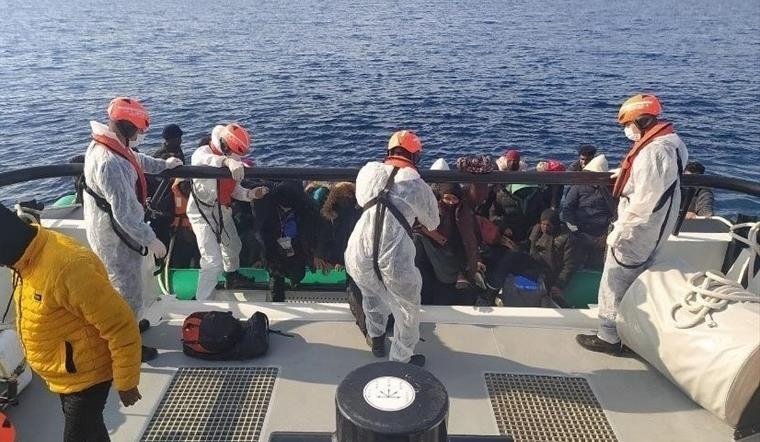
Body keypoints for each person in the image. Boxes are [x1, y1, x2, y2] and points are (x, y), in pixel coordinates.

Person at [0, 203, 142, 442]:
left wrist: (127, 381)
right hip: (65, 374)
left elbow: (121, 324)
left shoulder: (69, 267)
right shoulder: (23, 260)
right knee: (92, 430)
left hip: (88, 376)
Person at [577, 94, 688, 354]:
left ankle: (609, 336)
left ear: (642, 121)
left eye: (628, 124)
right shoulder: (674, 143)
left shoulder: (653, 152)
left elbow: (645, 200)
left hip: (638, 231)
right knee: (639, 280)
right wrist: (626, 175)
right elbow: (657, 181)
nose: (627, 130)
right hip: (658, 227)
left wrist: (620, 231)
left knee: (615, 279)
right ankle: (633, 333)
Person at [82, 97, 183, 362]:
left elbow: (135, 159)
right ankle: (126, 348)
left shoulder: (111, 146)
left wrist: (163, 165)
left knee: (128, 289)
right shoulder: (109, 163)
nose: (141, 134)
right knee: (125, 292)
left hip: (116, 231)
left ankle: (131, 326)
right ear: (127, 128)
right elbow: (125, 214)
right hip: (114, 237)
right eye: (138, 129)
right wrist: (151, 240)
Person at [345, 130, 439, 366]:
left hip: (359, 250)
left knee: (371, 295)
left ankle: (376, 339)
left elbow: (361, 199)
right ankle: (400, 360)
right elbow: (432, 222)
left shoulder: (368, 171)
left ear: (389, 151)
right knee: (407, 309)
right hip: (394, 256)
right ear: (416, 156)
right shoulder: (417, 185)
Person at [187, 123, 268, 301]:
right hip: (202, 213)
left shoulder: (232, 161)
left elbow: (234, 189)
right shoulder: (202, 152)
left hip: (222, 210)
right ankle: (203, 301)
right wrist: (227, 162)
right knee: (211, 261)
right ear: (225, 146)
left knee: (233, 246)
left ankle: (232, 276)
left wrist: (250, 194)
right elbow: (205, 161)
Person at [482, 209, 578, 306]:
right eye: (543, 224)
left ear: (555, 224)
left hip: (548, 271)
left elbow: (569, 266)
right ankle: (491, 290)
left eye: (548, 225)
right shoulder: (537, 230)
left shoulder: (567, 239)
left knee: (514, 263)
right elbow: (528, 245)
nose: (545, 227)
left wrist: (558, 285)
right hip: (532, 262)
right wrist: (516, 246)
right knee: (509, 257)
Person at [561, 155, 616, 268]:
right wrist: (576, 231)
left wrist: (607, 235)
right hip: (580, 232)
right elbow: (567, 209)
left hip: (602, 234)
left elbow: (616, 213)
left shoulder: (610, 190)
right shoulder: (578, 187)